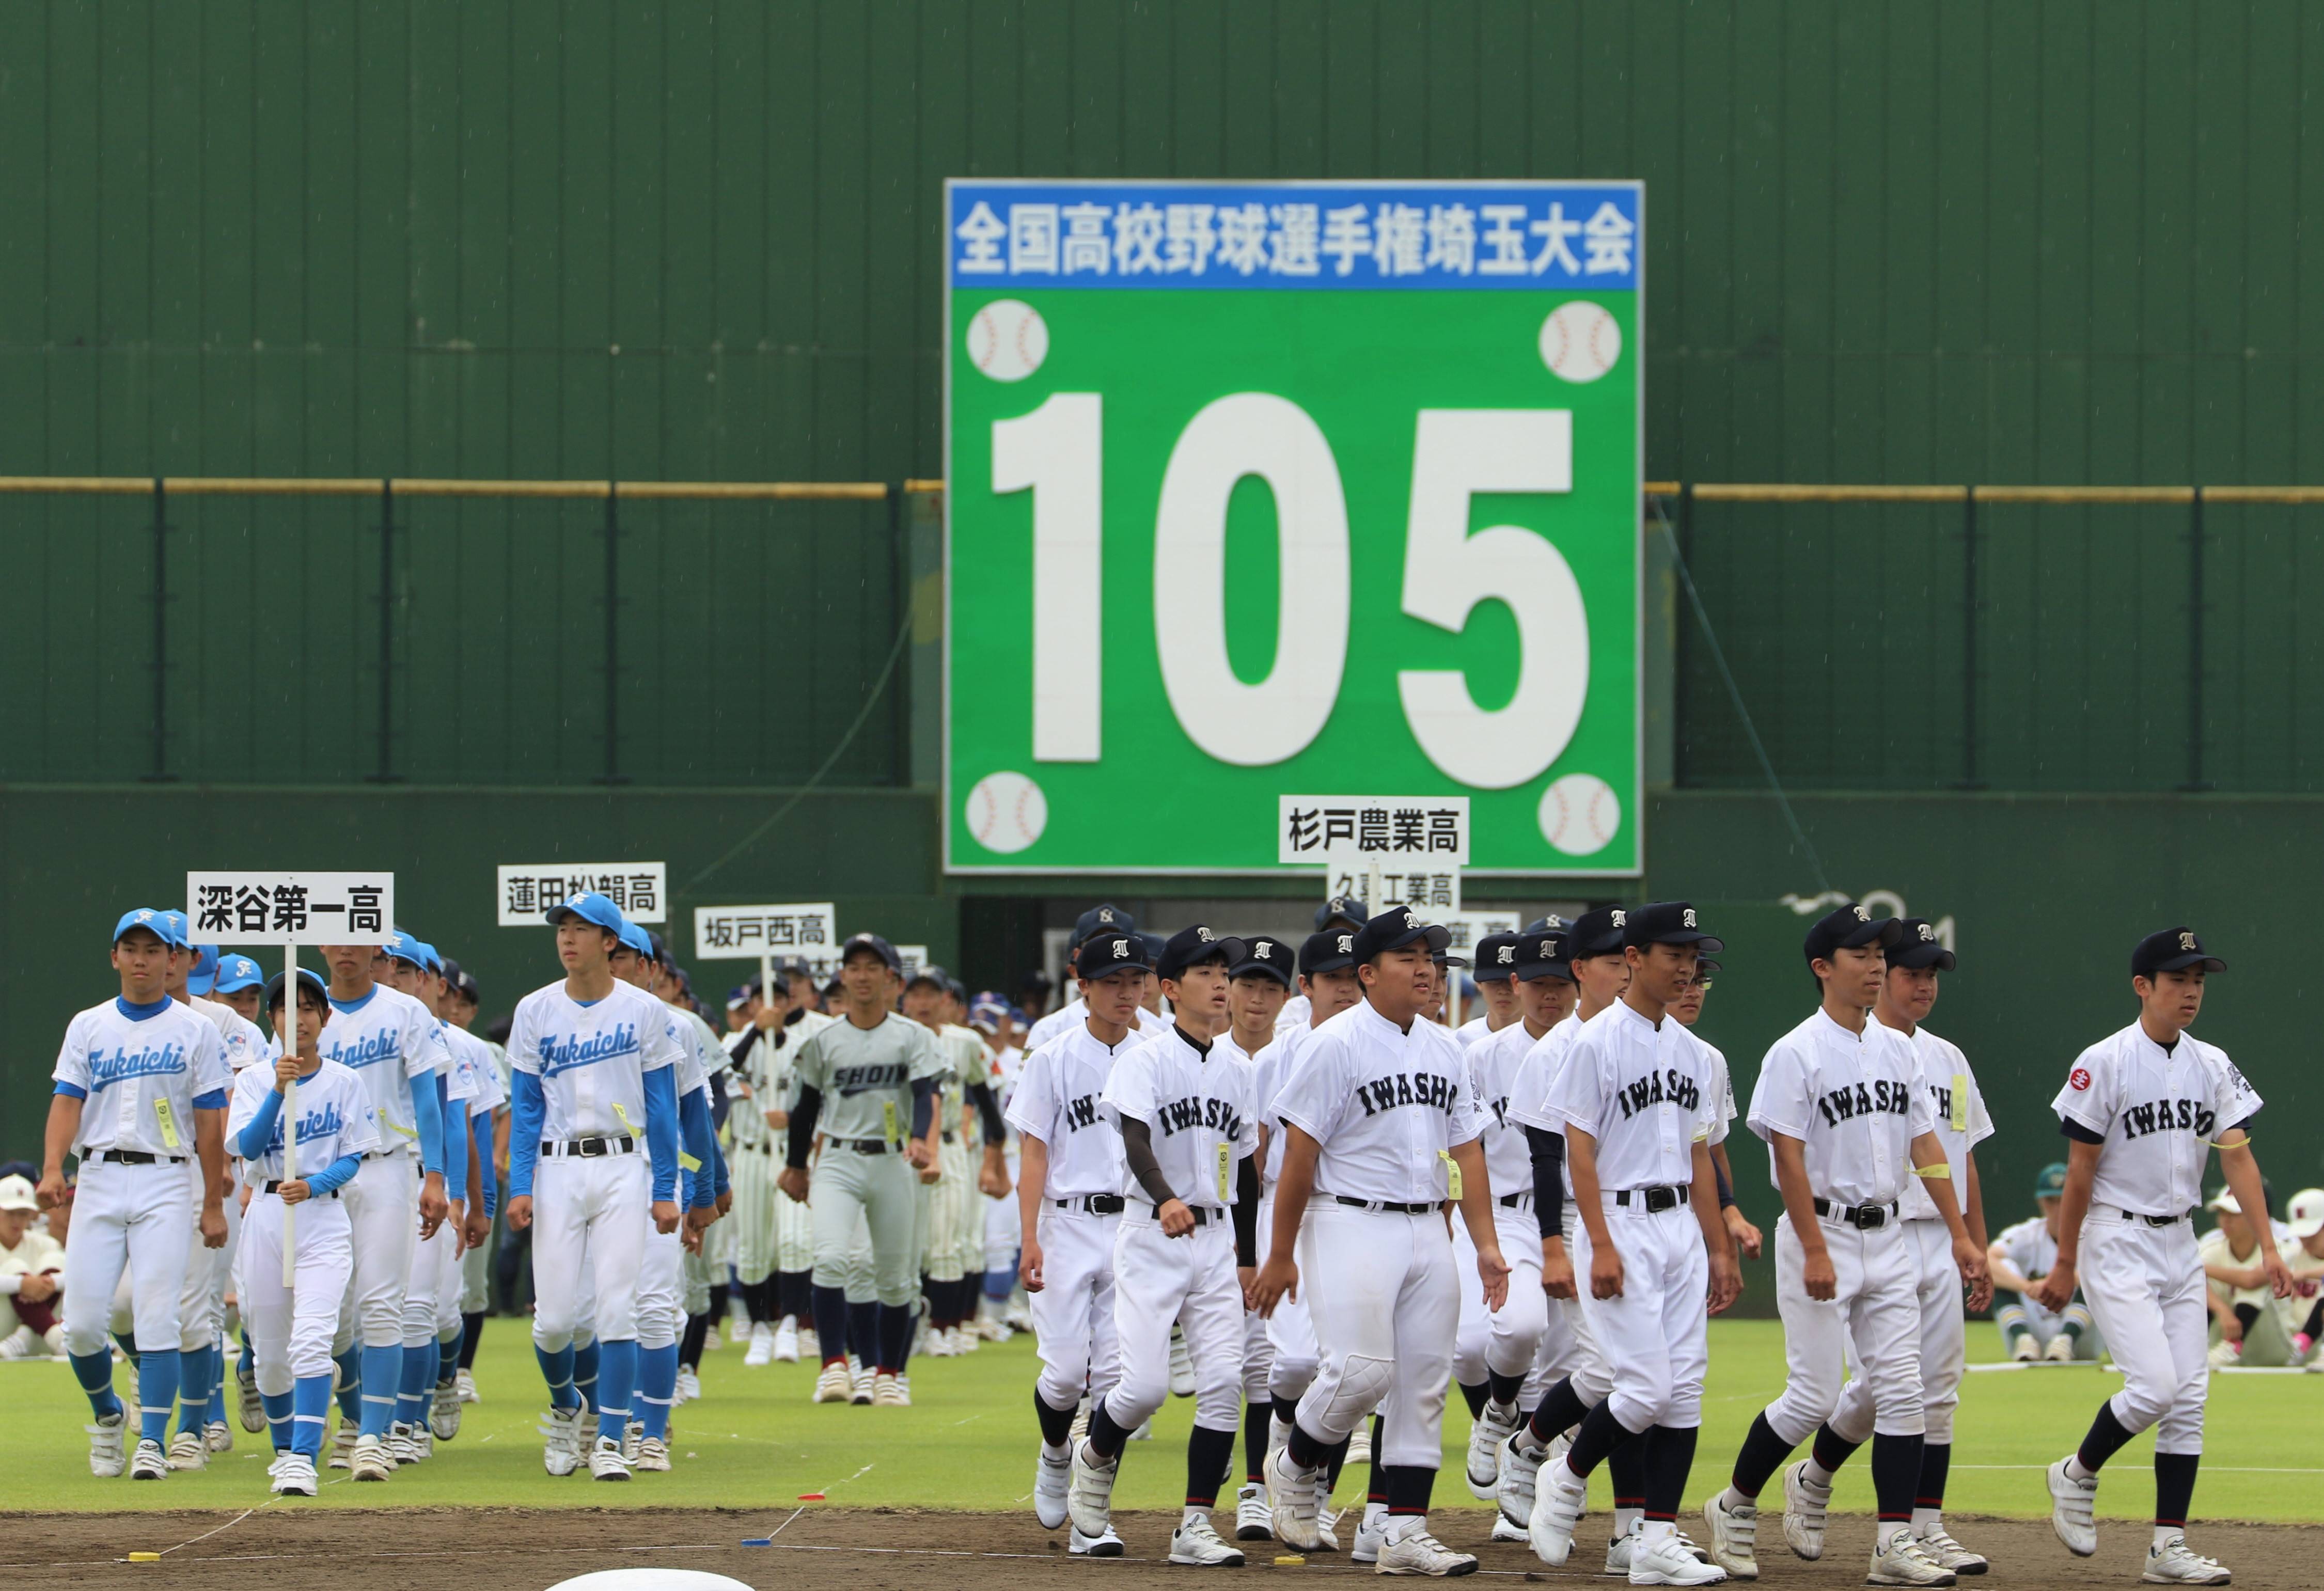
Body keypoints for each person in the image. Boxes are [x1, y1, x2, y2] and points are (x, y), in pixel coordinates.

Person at [1700, 902, 1987, 1588]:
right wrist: (1815, 1247)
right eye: (1861, 953)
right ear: (1823, 967)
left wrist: (1960, 1233)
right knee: (1813, 1396)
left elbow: (1927, 1145)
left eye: (1880, 952)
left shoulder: (1899, 1050)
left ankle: (1892, 1543)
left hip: (1887, 1233)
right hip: (1821, 1231)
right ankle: (1734, 1503)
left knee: (1904, 1392)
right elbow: (1789, 1161)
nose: (1877, 964)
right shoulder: (1794, 1051)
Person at [1257, 907, 1511, 1578]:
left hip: (1430, 1223)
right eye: (1409, 956)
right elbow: (1299, 1155)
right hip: (1348, 1217)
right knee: (1362, 1371)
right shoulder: (1334, 1043)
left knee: (1424, 1383)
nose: (1426, 968)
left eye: (1431, 956)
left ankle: (1403, 1533)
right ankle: (1295, 1461)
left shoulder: (1445, 1047)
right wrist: (1281, 1254)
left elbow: (1468, 1150)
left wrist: (1484, 1243)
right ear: (1367, 973)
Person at [2039, 927, 2289, 1585]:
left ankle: (2167, 1548)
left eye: (2199, 980)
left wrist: (2271, 1245)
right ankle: (2077, 1472)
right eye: (2178, 979)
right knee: (2155, 1388)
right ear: (2142, 986)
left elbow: (2237, 1157)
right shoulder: (2106, 1061)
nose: (2192, 992)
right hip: (2117, 1236)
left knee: (2190, 1400)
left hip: (2180, 1239)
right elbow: (2080, 1171)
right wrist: (2065, 1262)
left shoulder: (2210, 1062)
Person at [1519, 903, 1740, 1587]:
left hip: (1679, 1225)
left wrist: (1721, 1246)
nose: (1685, 966)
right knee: (1642, 1389)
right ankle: (1567, 1474)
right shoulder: (1594, 1041)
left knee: (1685, 1394)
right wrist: (1601, 1242)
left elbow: (1701, 1157)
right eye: (1672, 952)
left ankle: (1656, 1542)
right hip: (1619, 1219)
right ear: (1635, 956)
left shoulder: (1696, 1053)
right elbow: (1577, 1151)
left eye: (1692, 956)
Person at [1777, 919, 1996, 1577]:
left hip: (1941, 1234)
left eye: (1932, 973)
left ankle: (1922, 1526)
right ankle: (1814, 1476)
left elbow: (1962, 1156)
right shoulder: (1834, 1050)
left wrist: (1974, 1242)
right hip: (1881, 1230)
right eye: (1910, 971)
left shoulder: (1948, 1058)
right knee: (1880, 1386)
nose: (1923, 983)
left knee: (1938, 1389)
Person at [1065, 925, 1260, 1567]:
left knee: (1224, 1381)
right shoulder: (1143, 1059)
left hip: (1217, 1238)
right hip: (1152, 1231)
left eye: (1224, 973)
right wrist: (1166, 1195)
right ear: (1170, 989)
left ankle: (1196, 1525)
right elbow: (1134, 1138)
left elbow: (1249, 1171)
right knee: (1143, 1388)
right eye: (1205, 973)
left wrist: (1250, 1256)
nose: (1221, 984)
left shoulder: (1238, 1068)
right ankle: (1092, 1465)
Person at [41, 908, 231, 1482]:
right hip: (97, 1175)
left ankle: (152, 1439)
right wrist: (53, 1167)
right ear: (115, 957)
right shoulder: (89, 1024)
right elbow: (67, 1100)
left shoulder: (196, 1029)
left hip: (166, 1178)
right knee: (81, 1324)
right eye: (133, 949)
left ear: (174, 960)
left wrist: (213, 1201)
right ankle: (107, 1415)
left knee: (157, 1317)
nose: (143, 960)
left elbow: (210, 1121)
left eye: (155, 950)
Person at [505, 891, 685, 1480]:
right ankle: (566, 1408)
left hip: (622, 1165)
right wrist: (522, 1182)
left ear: (611, 942)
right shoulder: (534, 1008)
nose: (567, 938)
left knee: (617, 1310)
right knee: (554, 1321)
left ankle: (610, 1439)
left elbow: (662, 1106)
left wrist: (664, 1187)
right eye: (562, 928)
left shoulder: (644, 1010)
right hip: (558, 1167)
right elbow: (527, 1105)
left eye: (582, 929)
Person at [1494, 906, 1641, 1541]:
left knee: (1646, 1376)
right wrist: (1555, 1245)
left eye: (1632, 959)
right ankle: (1533, 1447)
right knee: (1619, 1373)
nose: (1628, 972)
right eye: (1615, 962)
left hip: (1644, 1222)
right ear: (1581, 971)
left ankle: (1634, 1528)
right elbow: (1545, 1157)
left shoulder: (1646, 1037)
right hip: (1579, 1223)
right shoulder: (1553, 1052)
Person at [1012, 931, 1149, 1555]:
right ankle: (1054, 1449)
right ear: (1084, 988)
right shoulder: (1052, 1056)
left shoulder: (1156, 1054)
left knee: (1118, 1379)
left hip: (1133, 1225)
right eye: (1113, 982)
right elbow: (1035, 1148)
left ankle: (1094, 1517)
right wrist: (1028, 1237)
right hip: (1066, 1222)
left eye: (1135, 980)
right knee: (1066, 1372)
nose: (1127, 992)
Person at [778, 933, 952, 1406]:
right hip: (838, 1156)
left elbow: (922, 1092)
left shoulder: (912, 1035)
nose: (861, 974)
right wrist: (796, 1165)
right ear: (842, 976)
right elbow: (806, 1107)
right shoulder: (825, 1039)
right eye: (853, 966)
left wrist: (921, 1139)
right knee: (833, 1257)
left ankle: (889, 1372)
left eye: (873, 966)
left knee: (897, 1278)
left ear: (892, 979)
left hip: (893, 1157)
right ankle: (835, 1365)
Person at [230, 967, 380, 1497]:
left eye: (309, 1008)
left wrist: (314, 1185)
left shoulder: (344, 1080)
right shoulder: (252, 1079)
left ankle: (303, 1459)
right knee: (270, 1356)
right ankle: (283, 1449)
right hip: (267, 1215)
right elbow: (246, 1148)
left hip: (321, 1218)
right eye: (287, 1010)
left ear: (325, 1017)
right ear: (272, 1020)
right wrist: (278, 1087)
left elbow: (353, 1158)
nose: (300, 1020)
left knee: (312, 1343)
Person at [1454, 926, 1577, 1538]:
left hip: (1579, 1216)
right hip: (1504, 1213)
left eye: (1561, 984)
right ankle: (1499, 1411)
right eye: (1538, 984)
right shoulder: (1481, 1057)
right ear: (1516, 987)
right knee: (1514, 1329)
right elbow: (1461, 1149)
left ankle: (1532, 1498)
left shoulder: (1594, 1050)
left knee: (1563, 1368)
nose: (1549, 996)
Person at [313, 933, 450, 1479]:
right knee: (335, 1321)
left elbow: (429, 1102)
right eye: (334, 940)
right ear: (320, 948)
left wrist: (435, 1176)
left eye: (359, 940)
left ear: (380, 953)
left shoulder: (405, 1011)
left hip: (388, 1164)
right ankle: (353, 1417)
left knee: (382, 1305)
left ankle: (375, 1435)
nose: (346, 949)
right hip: (321, 1177)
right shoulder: (303, 1009)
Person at [1249, 928, 1367, 1543]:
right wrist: (1260, 1247)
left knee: (1342, 1362)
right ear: (1308, 986)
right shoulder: (1275, 1058)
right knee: (1294, 1361)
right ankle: (1280, 1449)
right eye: (1334, 979)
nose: (1346, 989)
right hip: (1287, 1211)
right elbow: (1257, 1155)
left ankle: (1315, 1492)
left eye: (1355, 976)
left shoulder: (1376, 1047)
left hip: (1356, 1219)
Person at [609, 922, 723, 1470]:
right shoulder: (564, 1016)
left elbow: (696, 1118)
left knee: (655, 1303)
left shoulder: (676, 1026)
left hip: (662, 1175)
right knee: (594, 1311)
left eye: (625, 956)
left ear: (648, 968)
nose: (613, 964)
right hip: (590, 1174)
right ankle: (607, 1417)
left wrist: (706, 1191)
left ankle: (648, 1426)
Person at [378, 934, 477, 1465]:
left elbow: (456, 1127)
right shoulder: (350, 1022)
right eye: (385, 965)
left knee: (430, 1313)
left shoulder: (447, 1040)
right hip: (365, 1178)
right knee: (379, 1313)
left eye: (403, 968)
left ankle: (421, 1402)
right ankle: (384, 1419)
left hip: (422, 1176)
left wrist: (458, 1194)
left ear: (427, 980)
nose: (391, 975)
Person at [1215, 935, 1295, 1540]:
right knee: (1226, 1364)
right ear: (1229, 989)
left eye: (1271, 987)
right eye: (1248, 984)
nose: (1257, 998)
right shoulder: (1205, 1056)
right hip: (1215, 1221)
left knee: (1272, 1363)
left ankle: (1257, 1489)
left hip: (1279, 1218)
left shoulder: (1300, 1055)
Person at [439, 963, 507, 1405]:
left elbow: (493, 1117)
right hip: (404, 1173)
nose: (455, 1007)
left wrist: (485, 1186)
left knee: (469, 1286)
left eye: (463, 1001)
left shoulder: (477, 1049)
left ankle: (459, 1370)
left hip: (467, 1179)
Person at [1988, 1164, 2103, 1362]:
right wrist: (2026, 1287)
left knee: (2098, 1275)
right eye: (2051, 1200)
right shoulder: (2028, 1234)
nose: (2059, 1208)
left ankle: (2066, 1339)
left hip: (2083, 1337)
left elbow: (2108, 1267)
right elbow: (1988, 1260)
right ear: (2040, 1202)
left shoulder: (2095, 1233)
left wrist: (2062, 1281)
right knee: (2001, 1270)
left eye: (2065, 1199)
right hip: (2035, 1329)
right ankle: (2022, 1339)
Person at [1274, 897, 1368, 1036]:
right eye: (1330, 932)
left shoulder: (1384, 1008)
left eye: (1351, 931)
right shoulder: (1296, 1011)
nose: (1341, 940)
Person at [0, 1173, 67, 1357]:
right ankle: (56, 1337)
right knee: (14, 1266)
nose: (16, 1221)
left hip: (37, 1341)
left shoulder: (44, 1243)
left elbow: (78, 1276)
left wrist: (51, 1283)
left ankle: (24, 1336)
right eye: (10, 1213)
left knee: (56, 1258)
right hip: (2, 1333)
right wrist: (22, 1284)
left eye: (22, 1214)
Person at [1455, 934, 1521, 1050]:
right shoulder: (1460, 1041)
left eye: (1512, 981)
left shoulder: (1548, 1041)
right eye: (1494, 981)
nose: (1503, 990)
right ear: (1479, 983)